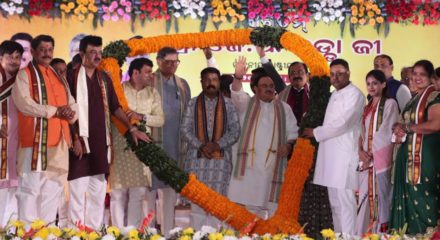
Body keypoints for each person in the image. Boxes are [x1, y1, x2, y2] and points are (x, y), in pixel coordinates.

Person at [67, 35, 149, 229]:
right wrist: (74, 138)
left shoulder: (104, 78)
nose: (97, 56)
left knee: (97, 194)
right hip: (79, 144)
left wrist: (131, 128)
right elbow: (65, 111)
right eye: (92, 52)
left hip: (101, 144)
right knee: (77, 194)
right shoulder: (70, 76)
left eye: (99, 52)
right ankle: (74, 234)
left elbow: (115, 107)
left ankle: (94, 231)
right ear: (81, 54)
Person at [11, 35, 78, 224]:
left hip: (60, 141)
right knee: (30, 188)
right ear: (32, 52)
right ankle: (27, 232)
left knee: (53, 188)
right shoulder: (24, 75)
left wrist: (71, 113)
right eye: (42, 50)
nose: (47, 54)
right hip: (35, 141)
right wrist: (56, 111)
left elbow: (72, 104)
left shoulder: (58, 77)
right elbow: (24, 104)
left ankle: (46, 231)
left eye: (50, 50)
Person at [228, 57, 298, 218]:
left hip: (273, 167)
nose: (269, 89)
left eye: (271, 86)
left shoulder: (283, 108)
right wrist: (238, 77)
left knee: (272, 210)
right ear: (255, 89)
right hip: (248, 168)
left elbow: (293, 131)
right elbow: (237, 93)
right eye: (264, 86)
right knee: (249, 212)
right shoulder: (246, 103)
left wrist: (288, 146)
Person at [303, 59, 365, 234]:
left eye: (340, 73)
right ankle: (339, 237)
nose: (336, 77)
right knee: (335, 204)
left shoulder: (355, 94)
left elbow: (343, 123)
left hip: (344, 156)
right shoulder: (335, 95)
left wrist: (316, 133)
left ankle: (349, 238)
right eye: (333, 74)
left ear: (348, 74)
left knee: (345, 203)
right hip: (331, 156)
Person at [181, 67, 240, 229]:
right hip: (196, 162)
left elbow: (235, 131)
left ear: (219, 82)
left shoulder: (228, 104)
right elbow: (185, 129)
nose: (210, 83)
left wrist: (217, 144)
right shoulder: (192, 103)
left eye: (214, 80)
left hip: (220, 165)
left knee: (218, 206)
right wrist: (201, 145)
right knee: (197, 206)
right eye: (207, 80)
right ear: (201, 82)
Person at [110, 58, 164, 228]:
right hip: (120, 149)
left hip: (142, 150)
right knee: (118, 194)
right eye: (147, 71)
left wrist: (141, 117)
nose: (151, 75)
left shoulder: (152, 93)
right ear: (135, 73)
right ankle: (117, 234)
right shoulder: (119, 91)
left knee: (138, 194)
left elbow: (160, 119)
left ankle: (132, 233)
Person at [390, 60, 440, 234]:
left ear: (431, 77)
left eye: (422, 74)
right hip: (408, 157)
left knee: (424, 198)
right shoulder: (415, 98)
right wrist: (398, 128)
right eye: (415, 74)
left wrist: (408, 128)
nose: (417, 78)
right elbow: (408, 124)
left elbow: (436, 124)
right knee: (409, 199)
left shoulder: (434, 96)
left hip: (424, 159)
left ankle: (429, 235)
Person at [147, 47, 191, 235]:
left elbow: (188, 116)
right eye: (168, 62)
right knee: (148, 196)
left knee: (170, 196)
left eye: (176, 62)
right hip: (151, 147)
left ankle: (167, 234)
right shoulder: (148, 81)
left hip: (175, 147)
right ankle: (147, 233)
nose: (172, 65)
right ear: (158, 61)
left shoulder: (182, 84)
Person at [355, 70, 399, 235]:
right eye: (368, 83)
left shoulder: (390, 104)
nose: (371, 87)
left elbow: (387, 132)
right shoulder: (366, 107)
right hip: (366, 160)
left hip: (380, 161)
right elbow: (360, 132)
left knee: (381, 197)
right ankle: (364, 234)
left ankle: (380, 235)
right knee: (365, 198)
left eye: (375, 83)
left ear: (383, 84)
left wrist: (372, 155)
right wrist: (360, 151)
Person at [0, 41, 23, 226]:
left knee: (16, 188)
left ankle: (11, 231)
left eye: (18, 57)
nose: (14, 61)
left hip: (18, 141)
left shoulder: (23, 79)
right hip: (1, 139)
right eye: (10, 57)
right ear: (1, 58)